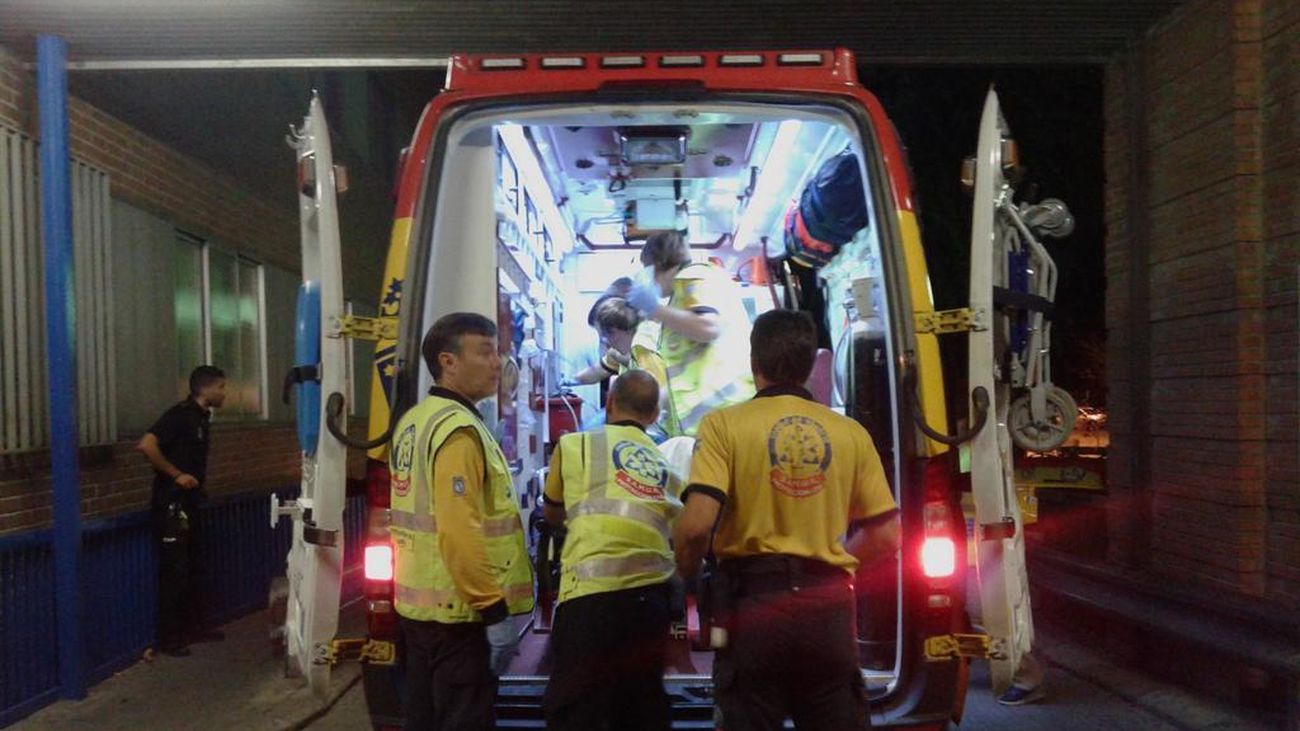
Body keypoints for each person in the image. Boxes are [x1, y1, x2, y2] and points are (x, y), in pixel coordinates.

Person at [673, 309, 901, 731]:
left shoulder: (724, 425)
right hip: (829, 613)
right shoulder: (850, 433)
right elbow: (887, 535)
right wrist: (833, 570)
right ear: (812, 364)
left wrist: (685, 577)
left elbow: (696, 525)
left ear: (753, 362)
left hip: (752, 609)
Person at [387, 313, 535, 730]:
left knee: (424, 718)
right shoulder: (457, 430)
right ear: (448, 361)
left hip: (420, 611)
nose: (497, 363)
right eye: (485, 352)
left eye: (498, 351)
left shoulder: (417, 420)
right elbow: (458, 531)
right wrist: (492, 611)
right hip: (458, 615)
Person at [541, 370, 681, 730]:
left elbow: (553, 510)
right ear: (653, 417)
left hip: (588, 602)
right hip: (649, 605)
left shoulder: (574, 446)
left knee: (577, 710)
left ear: (609, 403)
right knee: (640, 708)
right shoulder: (668, 464)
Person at [136, 365, 227, 657]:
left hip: (190, 504)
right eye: (221, 387)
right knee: (174, 572)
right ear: (206, 389)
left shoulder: (202, 418)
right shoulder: (180, 416)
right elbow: (147, 445)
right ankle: (168, 639)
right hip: (171, 506)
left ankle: (194, 629)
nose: (225, 393)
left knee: (194, 566)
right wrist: (176, 474)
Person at [625, 231, 754, 437]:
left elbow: (707, 328)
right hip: (718, 418)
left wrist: (653, 308)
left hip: (726, 411)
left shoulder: (693, 276)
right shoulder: (678, 300)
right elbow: (689, 370)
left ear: (657, 265)